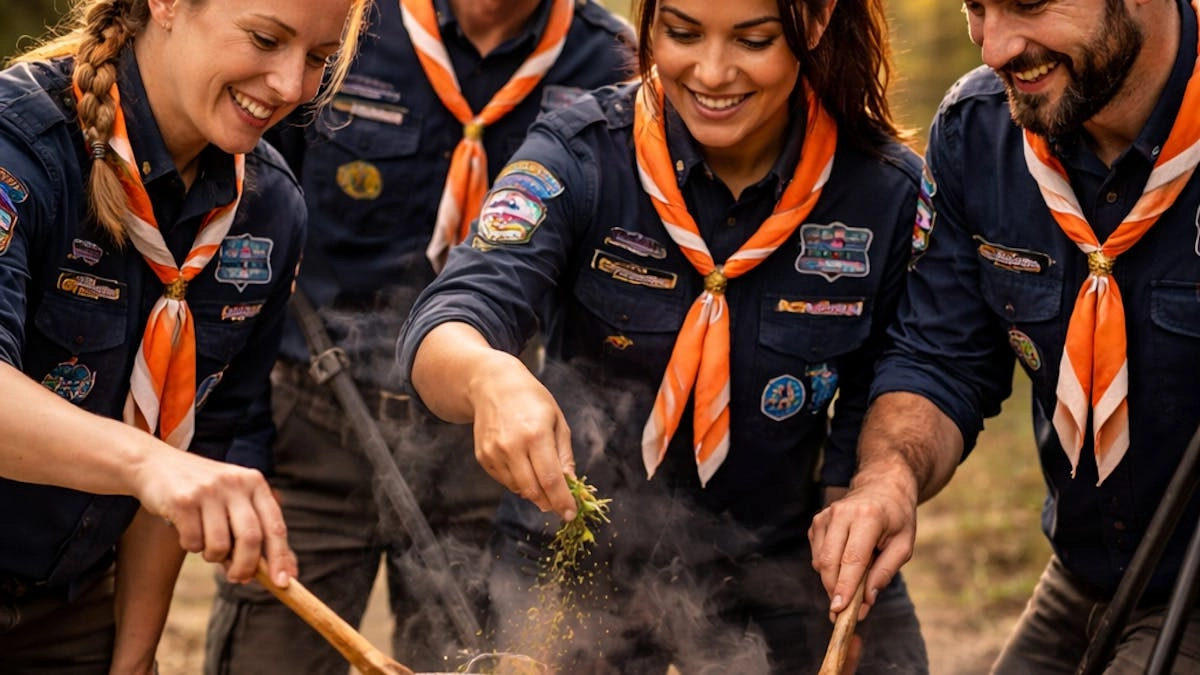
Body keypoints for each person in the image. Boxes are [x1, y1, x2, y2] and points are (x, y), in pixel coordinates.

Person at [398, 0, 930, 671]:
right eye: (680, 33)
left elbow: (886, 397)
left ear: (816, 22)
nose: (711, 72)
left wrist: (854, 538)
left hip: (780, 559)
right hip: (572, 558)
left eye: (754, 40)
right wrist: (487, 377)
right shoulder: (580, 153)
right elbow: (450, 315)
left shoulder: (881, 191)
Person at [203, 1, 634, 672]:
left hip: (481, 459)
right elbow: (246, 222)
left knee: (464, 658)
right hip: (309, 439)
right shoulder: (335, 28)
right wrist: (245, 447)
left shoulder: (615, 64)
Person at [809, 0, 1200, 671]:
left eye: (1026, 4)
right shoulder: (978, 132)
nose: (993, 48)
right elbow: (940, 358)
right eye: (976, 8)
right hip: (1085, 578)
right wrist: (887, 476)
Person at [0, 0, 370, 671]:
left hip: (72, 605)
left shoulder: (269, 210)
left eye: (318, 58)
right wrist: (151, 467)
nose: (290, 86)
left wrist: (136, 655)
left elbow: (192, 439)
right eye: (265, 39)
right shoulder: (19, 146)